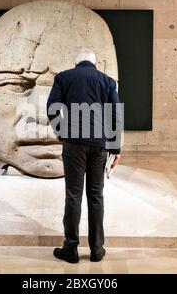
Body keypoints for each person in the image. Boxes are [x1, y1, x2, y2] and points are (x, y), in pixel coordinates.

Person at [47, 48, 122, 263]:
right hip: (99, 145)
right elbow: (115, 113)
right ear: (94, 63)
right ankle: (97, 250)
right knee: (96, 196)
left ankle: (70, 249)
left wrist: (62, 132)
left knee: (73, 195)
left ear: (76, 62)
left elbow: (52, 108)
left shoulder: (64, 77)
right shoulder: (107, 81)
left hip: (74, 144)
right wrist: (115, 148)